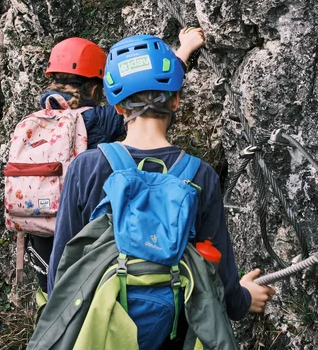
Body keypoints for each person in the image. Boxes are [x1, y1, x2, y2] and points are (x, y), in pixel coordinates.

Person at [47, 28, 276, 331]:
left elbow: (62, 267)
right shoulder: (200, 175)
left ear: (117, 108)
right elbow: (218, 268)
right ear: (176, 101)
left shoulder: (85, 167)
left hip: (98, 328)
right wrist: (244, 299)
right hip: (170, 330)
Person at [22, 37, 128, 305]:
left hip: (38, 225)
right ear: (94, 88)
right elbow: (145, 101)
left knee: (47, 293)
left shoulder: (40, 118)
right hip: (77, 229)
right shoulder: (96, 120)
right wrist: (183, 52)